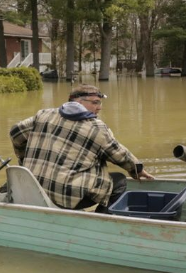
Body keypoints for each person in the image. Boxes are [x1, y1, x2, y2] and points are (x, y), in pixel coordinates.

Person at [10, 84, 153, 211]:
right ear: (78, 102)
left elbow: (15, 133)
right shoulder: (97, 128)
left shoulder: (43, 114)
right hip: (64, 197)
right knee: (119, 181)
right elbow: (121, 155)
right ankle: (102, 221)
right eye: (95, 102)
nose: (100, 107)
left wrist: (23, 159)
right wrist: (137, 170)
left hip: (33, 188)